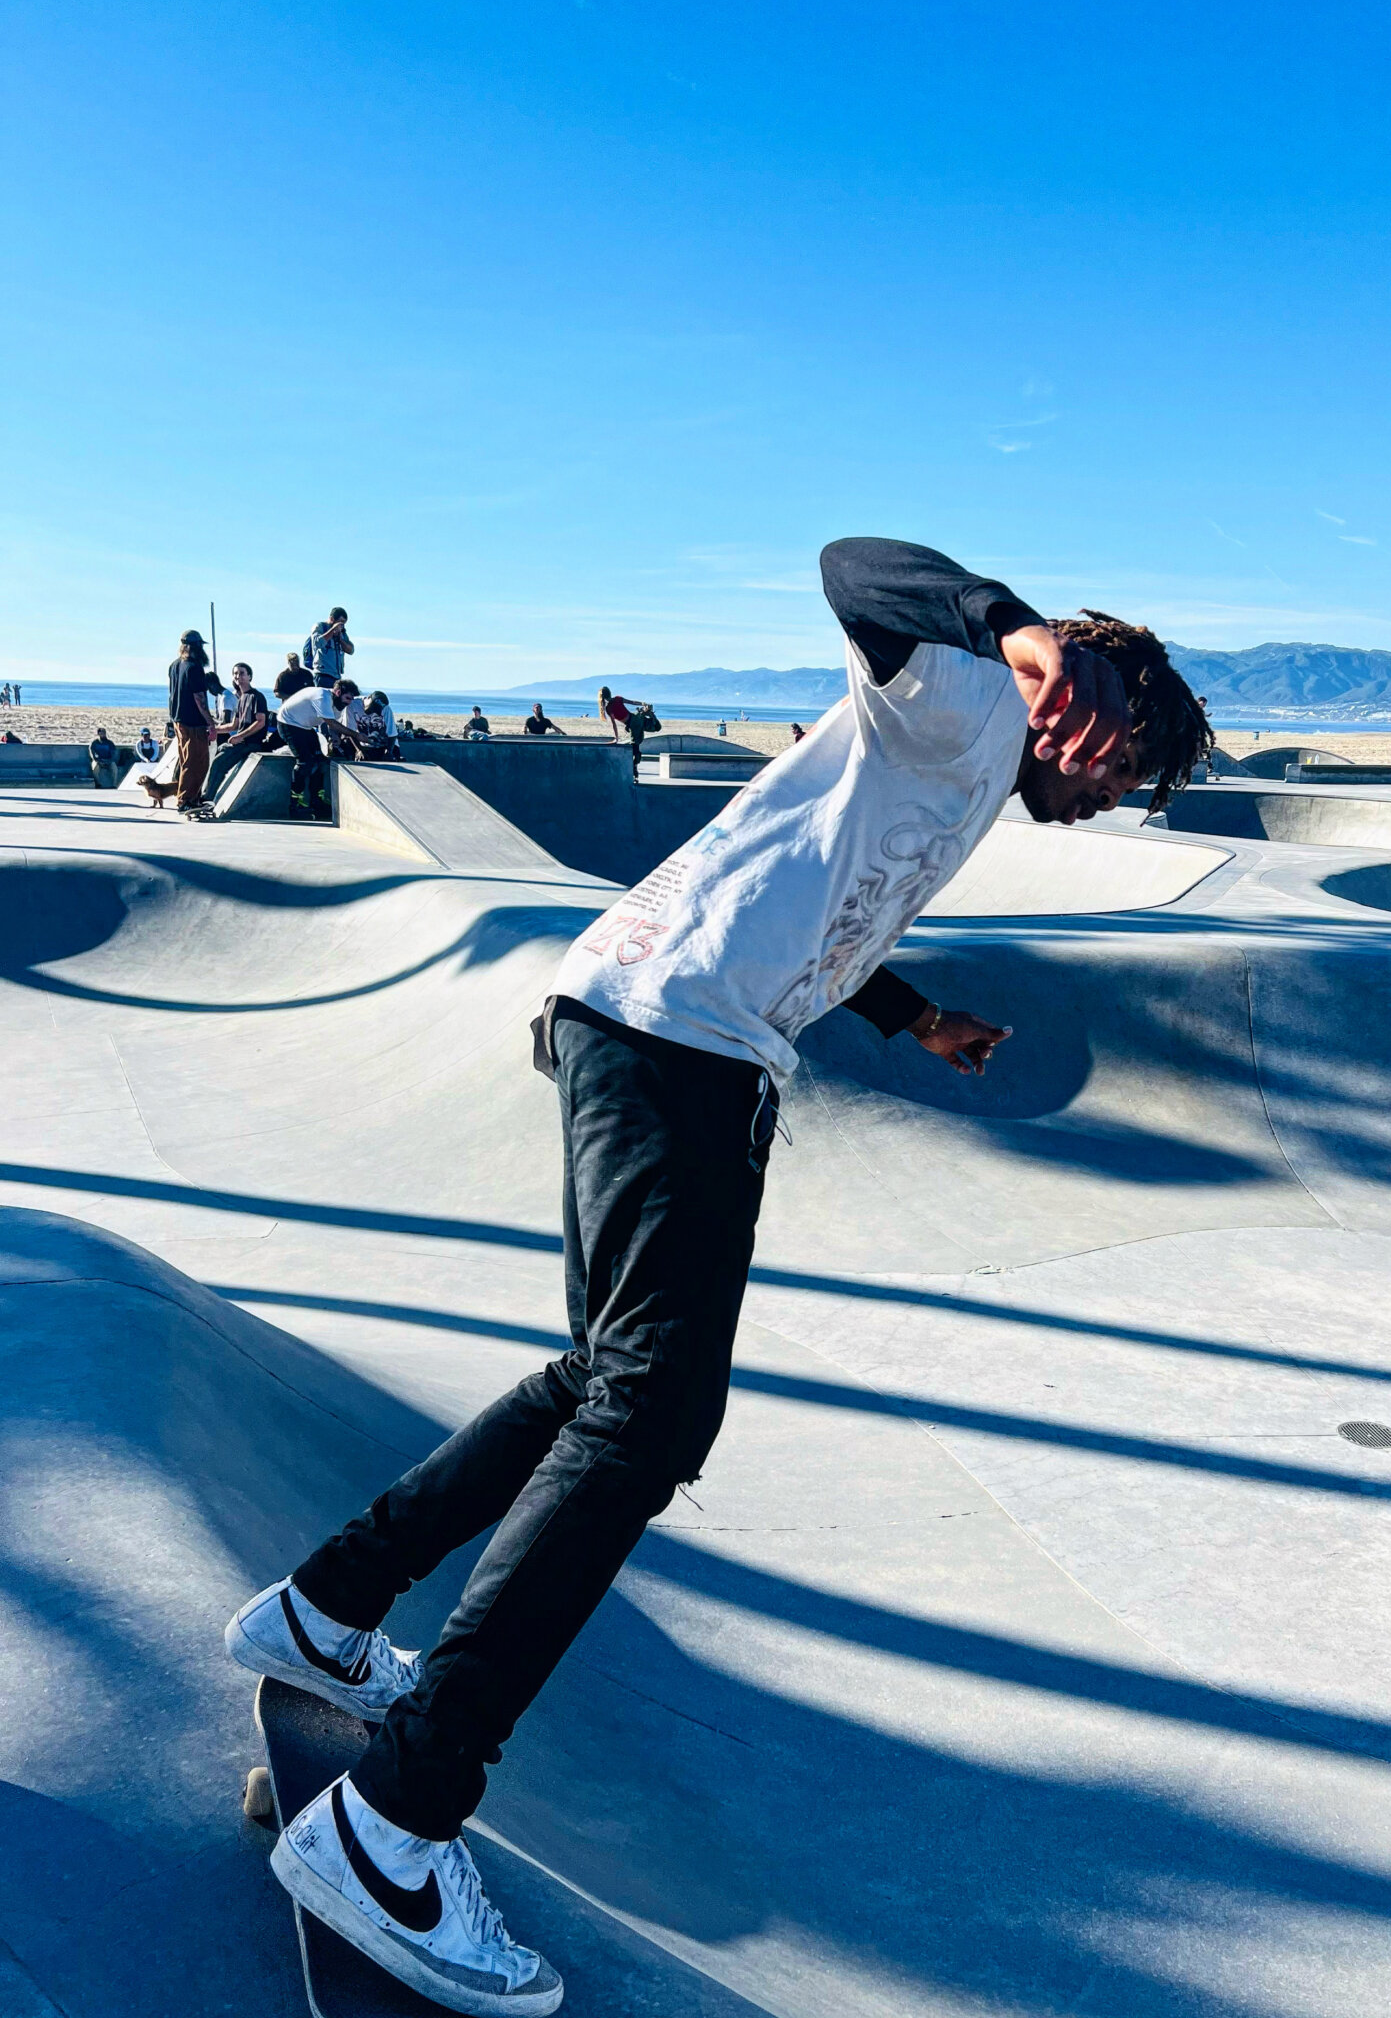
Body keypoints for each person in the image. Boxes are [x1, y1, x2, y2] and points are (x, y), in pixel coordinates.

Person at [224, 535, 1208, 2014]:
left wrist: (909, 1015)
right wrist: (1017, 632)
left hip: (652, 1020)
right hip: (673, 1041)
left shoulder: (953, 760)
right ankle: (395, 1822)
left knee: (601, 1384)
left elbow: (814, 898)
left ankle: (324, 1607)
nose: (1102, 798)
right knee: (652, 1414)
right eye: (1120, 769)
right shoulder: (966, 693)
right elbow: (853, 565)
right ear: (1103, 697)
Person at [140, 630, 214, 812]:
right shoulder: (194, 667)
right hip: (193, 723)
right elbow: (199, 699)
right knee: (196, 762)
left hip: (178, 720)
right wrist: (210, 723)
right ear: (197, 647)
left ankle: (191, 798)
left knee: (186, 760)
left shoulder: (174, 665)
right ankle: (186, 800)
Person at [278, 676, 361, 819]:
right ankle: (295, 802)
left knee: (321, 761)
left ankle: (317, 800)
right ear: (338, 692)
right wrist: (356, 735)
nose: (349, 703)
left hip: (305, 727)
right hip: (288, 723)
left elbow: (333, 727)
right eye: (348, 698)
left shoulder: (337, 706)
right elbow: (331, 723)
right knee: (305, 762)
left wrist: (335, 739)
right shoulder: (322, 696)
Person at [206, 663, 272, 798]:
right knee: (218, 756)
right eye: (235, 673)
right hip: (241, 742)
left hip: (251, 743)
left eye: (242, 673)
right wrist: (213, 730)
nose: (238, 676)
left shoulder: (256, 697)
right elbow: (233, 726)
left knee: (219, 764)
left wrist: (240, 736)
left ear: (250, 676)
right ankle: (208, 796)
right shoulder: (241, 698)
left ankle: (208, 798)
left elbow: (260, 722)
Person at [305, 608, 354, 686]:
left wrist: (341, 640)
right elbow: (317, 643)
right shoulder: (320, 627)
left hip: (336, 676)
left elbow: (351, 650)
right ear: (332, 619)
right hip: (322, 674)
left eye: (343, 624)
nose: (341, 626)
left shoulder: (342, 632)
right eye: (340, 623)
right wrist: (332, 630)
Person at [348, 690, 401, 761]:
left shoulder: (386, 709)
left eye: (377, 710)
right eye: (373, 708)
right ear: (368, 698)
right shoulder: (353, 705)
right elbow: (350, 731)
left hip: (386, 745)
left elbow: (392, 734)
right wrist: (359, 750)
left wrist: (389, 752)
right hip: (364, 745)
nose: (373, 711)